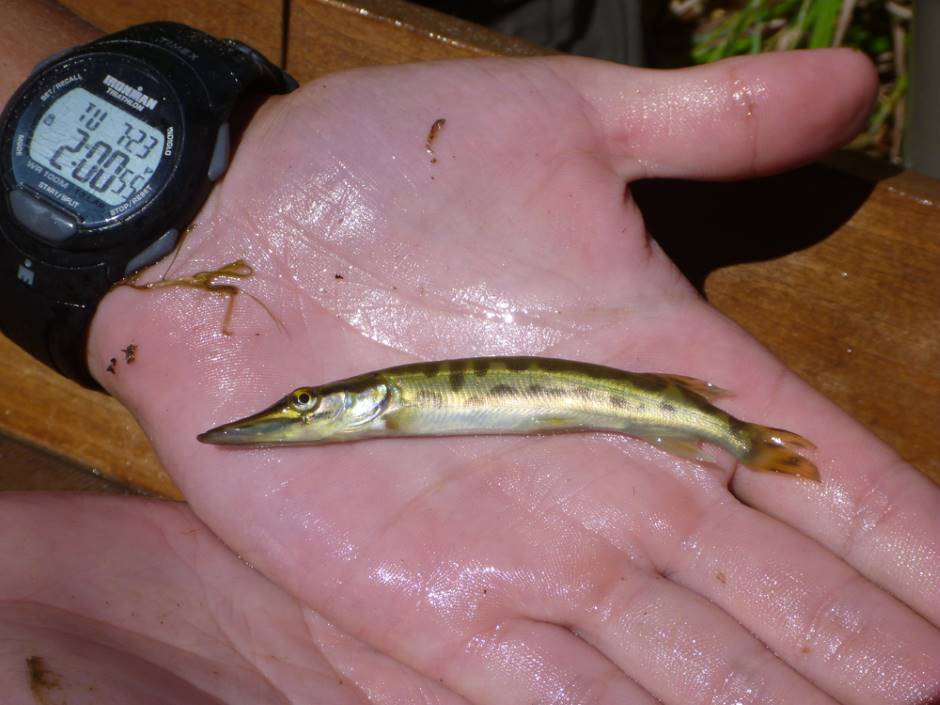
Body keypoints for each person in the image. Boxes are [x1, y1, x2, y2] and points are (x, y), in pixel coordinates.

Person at [1, 1, 938, 703]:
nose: (293, 416)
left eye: (301, 409)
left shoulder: (382, 403)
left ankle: (736, 435)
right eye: (298, 409)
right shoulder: (374, 408)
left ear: (347, 406)